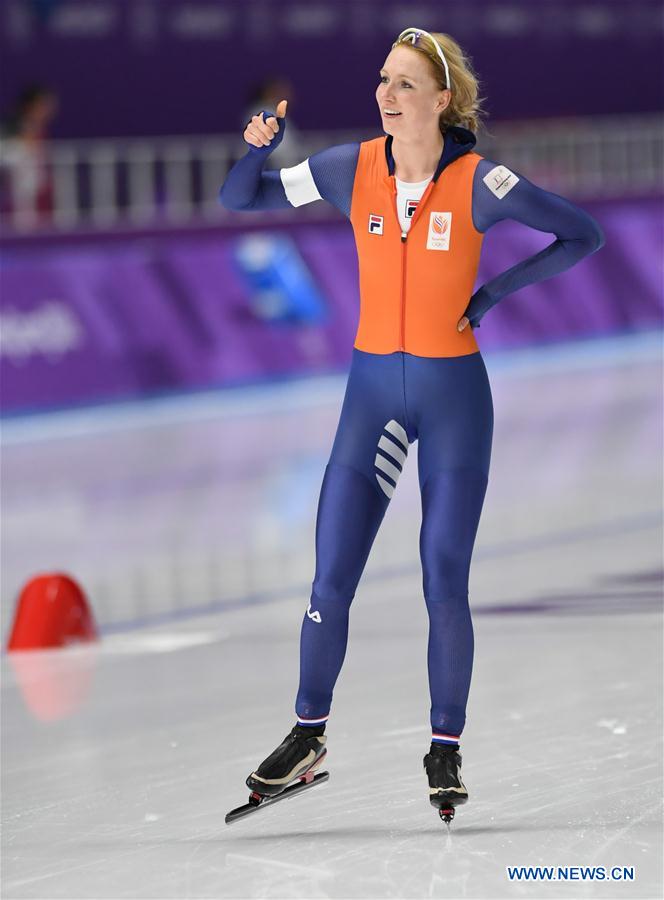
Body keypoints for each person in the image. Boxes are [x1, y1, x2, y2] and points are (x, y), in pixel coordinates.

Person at [219, 27, 604, 816]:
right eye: (383, 81)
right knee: (330, 579)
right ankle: (307, 734)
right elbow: (239, 198)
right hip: (370, 397)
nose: (386, 95)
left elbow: (581, 234)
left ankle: (445, 748)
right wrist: (257, 148)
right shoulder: (345, 168)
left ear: (441, 100)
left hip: (454, 397)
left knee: (442, 578)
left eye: (402, 84)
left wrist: (494, 295)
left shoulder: (483, 184)